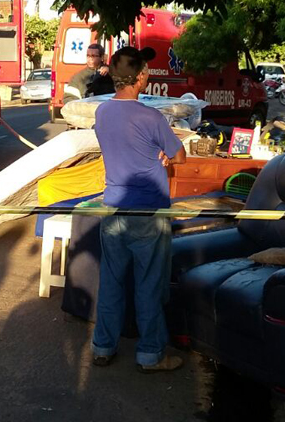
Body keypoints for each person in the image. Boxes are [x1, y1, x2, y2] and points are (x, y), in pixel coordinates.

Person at [91, 46, 187, 373]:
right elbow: (180, 156)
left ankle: (103, 346)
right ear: (141, 77)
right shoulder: (151, 116)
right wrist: (164, 155)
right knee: (148, 286)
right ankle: (150, 355)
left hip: (113, 208)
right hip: (149, 212)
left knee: (111, 282)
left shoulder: (102, 112)